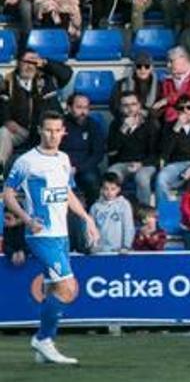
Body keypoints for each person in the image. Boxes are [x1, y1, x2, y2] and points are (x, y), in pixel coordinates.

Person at [2, 111, 99, 365]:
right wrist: (27, 219)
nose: (53, 135)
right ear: (40, 131)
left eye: (57, 130)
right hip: (41, 234)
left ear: (63, 132)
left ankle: (42, 350)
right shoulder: (26, 161)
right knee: (68, 289)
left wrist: (87, 219)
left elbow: (66, 192)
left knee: (52, 288)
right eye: (48, 130)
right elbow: (8, 194)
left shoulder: (64, 159)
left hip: (61, 234)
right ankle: (43, 339)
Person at [0, 50, 72, 175]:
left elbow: (67, 74)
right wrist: (7, 121)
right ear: (18, 63)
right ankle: (1, 173)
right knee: (3, 132)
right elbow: (2, 107)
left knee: (55, 131)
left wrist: (45, 63)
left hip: (42, 130)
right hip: (19, 130)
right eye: (26, 62)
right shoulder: (7, 81)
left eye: (34, 62)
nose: (30, 66)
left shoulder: (47, 79)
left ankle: (53, 174)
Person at [105, 92, 159, 206]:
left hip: (145, 164)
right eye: (126, 105)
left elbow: (156, 153)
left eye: (133, 104)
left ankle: (144, 212)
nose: (130, 108)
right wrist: (123, 130)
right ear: (120, 108)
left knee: (142, 178)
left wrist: (141, 164)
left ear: (139, 106)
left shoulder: (150, 125)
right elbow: (111, 151)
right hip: (123, 163)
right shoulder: (116, 124)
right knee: (111, 175)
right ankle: (113, 209)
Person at [60, 94, 105, 206]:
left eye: (86, 108)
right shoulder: (60, 124)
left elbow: (98, 154)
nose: (83, 112)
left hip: (85, 168)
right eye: (79, 107)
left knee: (92, 180)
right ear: (69, 108)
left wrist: (78, 168)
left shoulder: (93, 125)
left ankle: (92, 216)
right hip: (61, 167)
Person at [89, 171, 134, 255]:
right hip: (100, 251)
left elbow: (128, 226)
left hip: (119, 251)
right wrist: (92, 245)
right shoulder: (95, 207)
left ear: (118, 189)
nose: (109, 192)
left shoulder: (124, 205)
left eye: (113, 189)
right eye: (106, 189)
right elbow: (91, 229)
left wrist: (126, 246)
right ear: (101, 189)